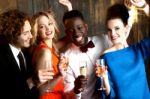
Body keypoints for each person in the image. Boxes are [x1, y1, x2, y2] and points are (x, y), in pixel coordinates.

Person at [96, 0, 150, 99]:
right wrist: (104, 78)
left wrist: (144, 6)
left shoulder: (138, 50)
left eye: (117, 28)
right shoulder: (103, 59)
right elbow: (108, 95)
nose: (112, 34)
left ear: (125, 27)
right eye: (109, 30)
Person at [59, 10, 110, 99]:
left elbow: (122, 35)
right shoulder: (66, 58)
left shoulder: (104, 40)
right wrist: (76, 89)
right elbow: (68, 94)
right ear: (67, 33)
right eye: (71, 30)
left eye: (79, 28)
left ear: (86, 27)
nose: (76, 33)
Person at [0, 9, 35, 99]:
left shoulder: (26, 52)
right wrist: (33, 81)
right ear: (12, 35)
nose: (31, 36)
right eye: (25, 33)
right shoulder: (2, 57)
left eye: (30, 31)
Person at [31, 10, 65, 99]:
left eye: (49, 24)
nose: (48, 28)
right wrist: (59, 76)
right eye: (42, 26)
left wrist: (70, 9)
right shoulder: (45, 52)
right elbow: (41, 90)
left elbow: (70, 37)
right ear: (37, 32)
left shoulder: (52, 47)